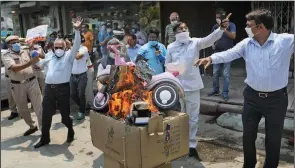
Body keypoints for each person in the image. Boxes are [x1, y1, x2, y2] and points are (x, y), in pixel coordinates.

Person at [196, 9, 294, 168]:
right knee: (248, 136)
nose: (246, 28)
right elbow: (229, 54)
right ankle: (249, 164)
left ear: (260, 27)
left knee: (273, 139)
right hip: (252, 98)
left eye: (249, 25)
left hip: (276, 100)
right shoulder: (247, 44)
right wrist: (211, 58)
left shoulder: (284, 41)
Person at [165, 17, 229, 160]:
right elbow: (167, 65)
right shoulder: (170, 47)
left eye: (185, 28)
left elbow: (209, 39)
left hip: (193, 86)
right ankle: (178, 144)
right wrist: (172, 74)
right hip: (177, 87)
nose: (184, 30)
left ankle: (191, 146)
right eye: (180, 29)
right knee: (178, 117)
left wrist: (221, 29)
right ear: (175, 32)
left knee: (193, 117)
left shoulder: (195, 43)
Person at [33, 17, 83, 148]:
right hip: (49, 89)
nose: (58, 48)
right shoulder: (50, 56)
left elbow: (77, 45)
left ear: (65, 47)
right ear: (53, 47)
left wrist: (77, 31)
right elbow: (39, 65)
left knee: (65, 116)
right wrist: (34, 56)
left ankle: (70, 130)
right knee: (46, 115)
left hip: (63, 89)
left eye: (61, 46)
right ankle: (45, 138)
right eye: (56, 47)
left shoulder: (69, 57)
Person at [1, 35, 44, 136]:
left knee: (39, 107)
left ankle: (43, 129)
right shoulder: (6, 55)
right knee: (22, 109)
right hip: (17, 85)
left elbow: (42, 56)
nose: (16, 44)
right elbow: (14, 68)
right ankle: (32, 126)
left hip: (32, 81)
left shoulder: (26, 49)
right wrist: (31, 62)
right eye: (13, 43)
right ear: (9, 45)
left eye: (17, 42)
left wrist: (35, 47)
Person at [208, 8, 236, 101]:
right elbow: (212, 37)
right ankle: (215, 90)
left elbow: (233, 36)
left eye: (219, 17)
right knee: (215, 73)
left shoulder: (231, 25)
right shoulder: (215, 26)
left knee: (226, 74)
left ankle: (225, 93)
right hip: (217, 52)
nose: (218, 19)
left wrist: (224, 29)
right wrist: (212, 44)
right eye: (217, 17)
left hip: (228, 52)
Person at [70, 34, 89, 120]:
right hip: (72, 76)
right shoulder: (71, 49)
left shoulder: (84, 49)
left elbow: (77, 57)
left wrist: (71, 47)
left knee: (81, 94)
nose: (72, 41)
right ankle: (83, 106)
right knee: (73, 94)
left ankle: (81, 111)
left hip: (82, 75)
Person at [1, 49, 19, 120]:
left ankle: (23, 112)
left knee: (20, 95)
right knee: (11, 96)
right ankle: (14, 112)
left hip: (17, 76)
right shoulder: (3, 53)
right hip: (8, 78)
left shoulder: (7, 53)